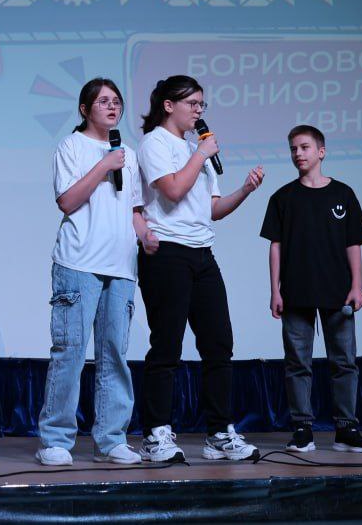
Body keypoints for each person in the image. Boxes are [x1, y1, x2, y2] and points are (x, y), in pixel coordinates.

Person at [136, 75, 265, 463]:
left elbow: (212, 210)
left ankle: (219, 433)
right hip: (167, 253)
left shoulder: (198, 151)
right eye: (192, 103)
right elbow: (173, 191)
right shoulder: (155, 143)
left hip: (202, 253)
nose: (198, 111)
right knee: (167, 345)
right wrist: (201, 155)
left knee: (219, 343)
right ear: (168, 105)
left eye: (201, 105)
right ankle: (156, 433)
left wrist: (245, 190)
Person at [36, 78, 158, 466]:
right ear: (85, 109)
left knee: (114, 354)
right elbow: (67, 201)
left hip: (121, 266)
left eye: (116, 101)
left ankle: (110, 439)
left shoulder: (129, 154)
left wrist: (145, 235)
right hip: (78, 263)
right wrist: (104, 165)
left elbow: (134, 208)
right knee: (69, 352)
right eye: (103, 101)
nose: (112, 107)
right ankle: (55, 439)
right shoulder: (71, 146)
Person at [262, 124, 362, 453]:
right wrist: (275, 290)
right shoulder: (282, 197)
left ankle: (346, 429)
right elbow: (275, 247)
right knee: (298, 364)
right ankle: (302, 429)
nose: (298, 153)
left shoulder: (343, 194)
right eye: (293, 148)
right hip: (295, 292)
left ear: (321, 152)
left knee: (345, 362)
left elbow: (354, 243)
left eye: (304, 147)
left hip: (338, 291)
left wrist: (357, 286)